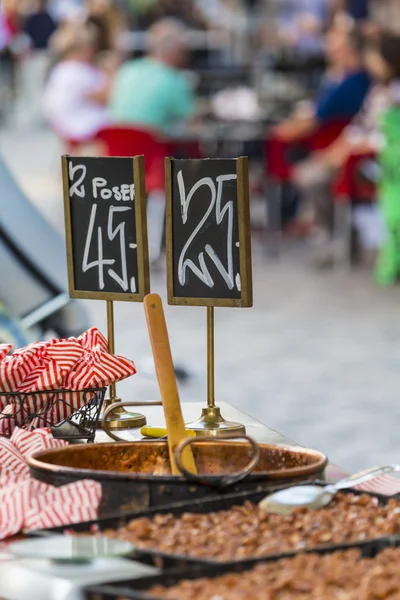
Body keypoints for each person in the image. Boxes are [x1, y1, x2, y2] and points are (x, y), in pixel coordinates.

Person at [273, 24, 371, 143]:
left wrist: (279, 131)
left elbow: (314, 122)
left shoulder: (354, 82)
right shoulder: (338, 77)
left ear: (349, 49)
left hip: (324, 140)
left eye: (335, 48)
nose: (330, 52)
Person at [110, 18, 196, 135]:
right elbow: (192, 120)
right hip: (153, 149)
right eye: (184, 51)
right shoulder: (173, 78)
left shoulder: (126, 70)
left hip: (118, 147)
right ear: (176, 51)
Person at [43, 21, 111, 141]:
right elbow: (105, 98)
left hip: (68, 125)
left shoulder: (62, 69)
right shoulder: (78, 71)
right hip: (82, 127)